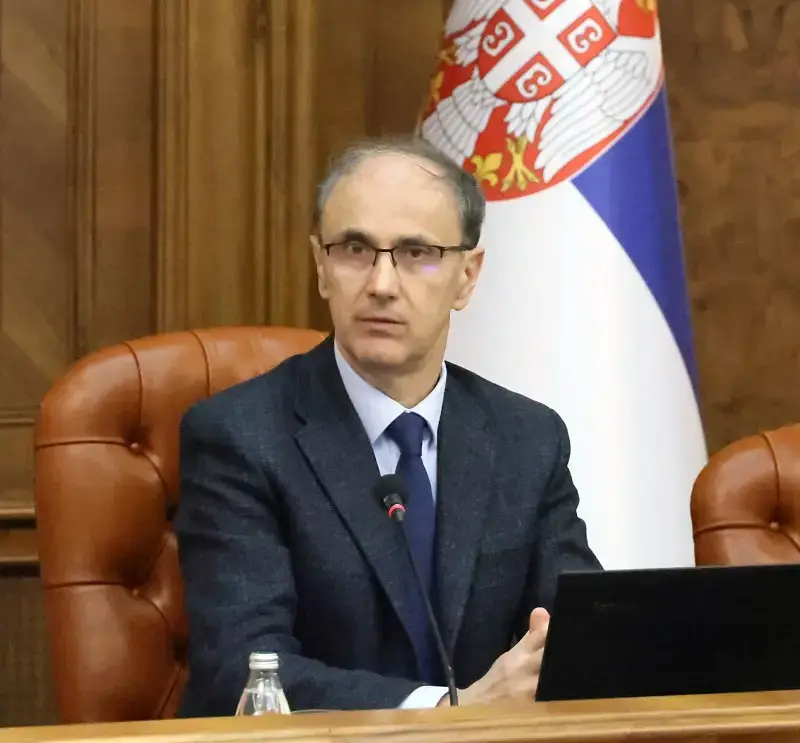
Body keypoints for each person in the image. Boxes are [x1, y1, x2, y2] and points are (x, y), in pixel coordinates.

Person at [174, 136, 602, 717]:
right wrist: (448, 710)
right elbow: (245, 670)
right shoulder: (238, 437)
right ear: (321, 267)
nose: (380, 283)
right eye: (354, 249)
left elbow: (578, 635)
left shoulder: (527, 439)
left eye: (416, 252)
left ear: (467, 276)